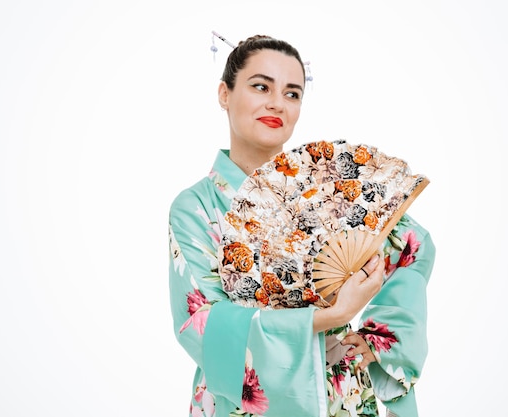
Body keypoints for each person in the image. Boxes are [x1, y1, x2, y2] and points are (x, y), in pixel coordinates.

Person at [168, 34, 436, 417]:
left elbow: (414, 246)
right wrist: (331, 317)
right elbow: (203, 324)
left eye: (292, 94)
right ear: (225, 94)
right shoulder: (195, 208)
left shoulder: (326, 190)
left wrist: (377, 339)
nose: (277, 103)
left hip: (340, 389)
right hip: (243, 403)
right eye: (261, 86)